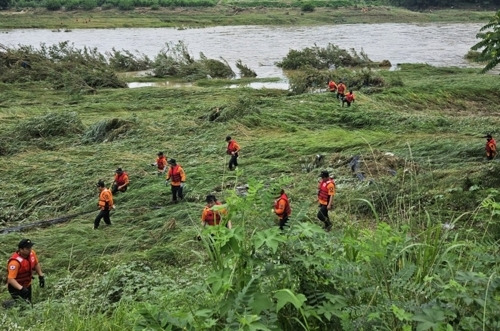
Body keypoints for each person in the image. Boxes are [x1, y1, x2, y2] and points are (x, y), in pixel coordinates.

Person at [6, 239, 45, 303]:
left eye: (30, 247)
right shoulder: (14, 262)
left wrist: (41, 276)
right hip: (16, 287)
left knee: (28, 302)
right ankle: (7, 304)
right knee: (21, 304)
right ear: (21, 249)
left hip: (27, 284)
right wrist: (21, 288)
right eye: (27, 248)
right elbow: (11, 279)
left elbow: (36, 264)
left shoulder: (32, 253)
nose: (30, 249)